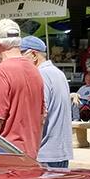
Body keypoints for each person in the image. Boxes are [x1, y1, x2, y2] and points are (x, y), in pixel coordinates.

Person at [0, 19, 44, 159]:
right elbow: (42, 117)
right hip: (29, 156)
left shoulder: (0, 72)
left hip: (4, 159)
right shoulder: (35, 71)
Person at [21, 36, 73, 168]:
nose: (19, 61)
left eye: (21, 55)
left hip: (44, 154)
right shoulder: (58, 73)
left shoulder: (40, 76)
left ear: (33, 55)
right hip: (60, 150)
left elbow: (40, 115)